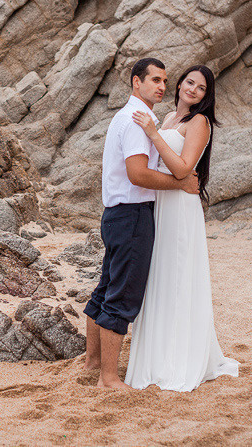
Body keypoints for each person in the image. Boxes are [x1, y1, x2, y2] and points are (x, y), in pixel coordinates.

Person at [83, 58, 200, 389]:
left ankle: (93, 362)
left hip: (117, 213)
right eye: (154, 80)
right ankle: (108, 377)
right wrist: (179, 183)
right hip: (132, 214)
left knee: (107, 286)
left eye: (165, 80)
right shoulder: (137, 120)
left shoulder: (130, 116)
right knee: (122, 295)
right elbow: (137, 173)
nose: (161, 86)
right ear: (137, 82)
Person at [125, 64, 239, 391]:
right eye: (189, 82)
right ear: (179, 85)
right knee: (157, 277)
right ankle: (155, 353)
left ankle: (175, 359)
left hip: (179, 207)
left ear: (206, 95)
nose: (192, 89)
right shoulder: (170, 119)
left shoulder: (199, 122)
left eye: (200, 88)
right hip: (159, 203)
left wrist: (153, 134)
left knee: (175, 277)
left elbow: (182, 169)